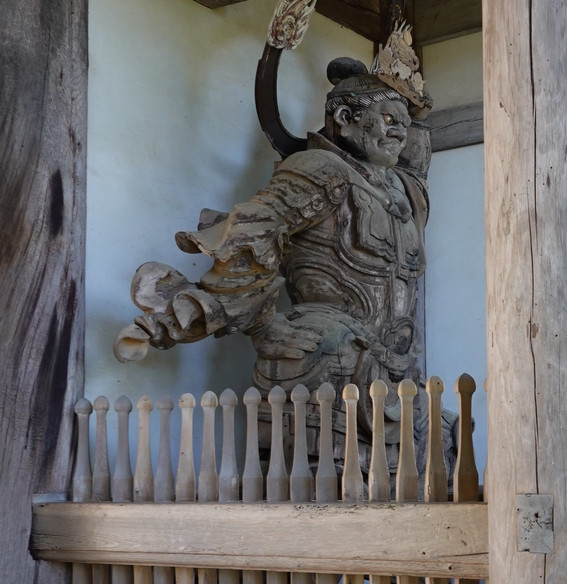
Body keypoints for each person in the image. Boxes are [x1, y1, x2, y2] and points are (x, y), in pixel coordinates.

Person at [115, 38, 449, 474]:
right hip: (325, 361)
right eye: (387, 119)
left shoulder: (403, 190)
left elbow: (417, 159)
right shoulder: (320, 169)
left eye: (403, 125)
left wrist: (407, 99)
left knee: (432, 455)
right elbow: (251, 234)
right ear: (345, 119)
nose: (398, 132)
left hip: (397, 370)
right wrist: (263, 325)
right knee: (325, 485)